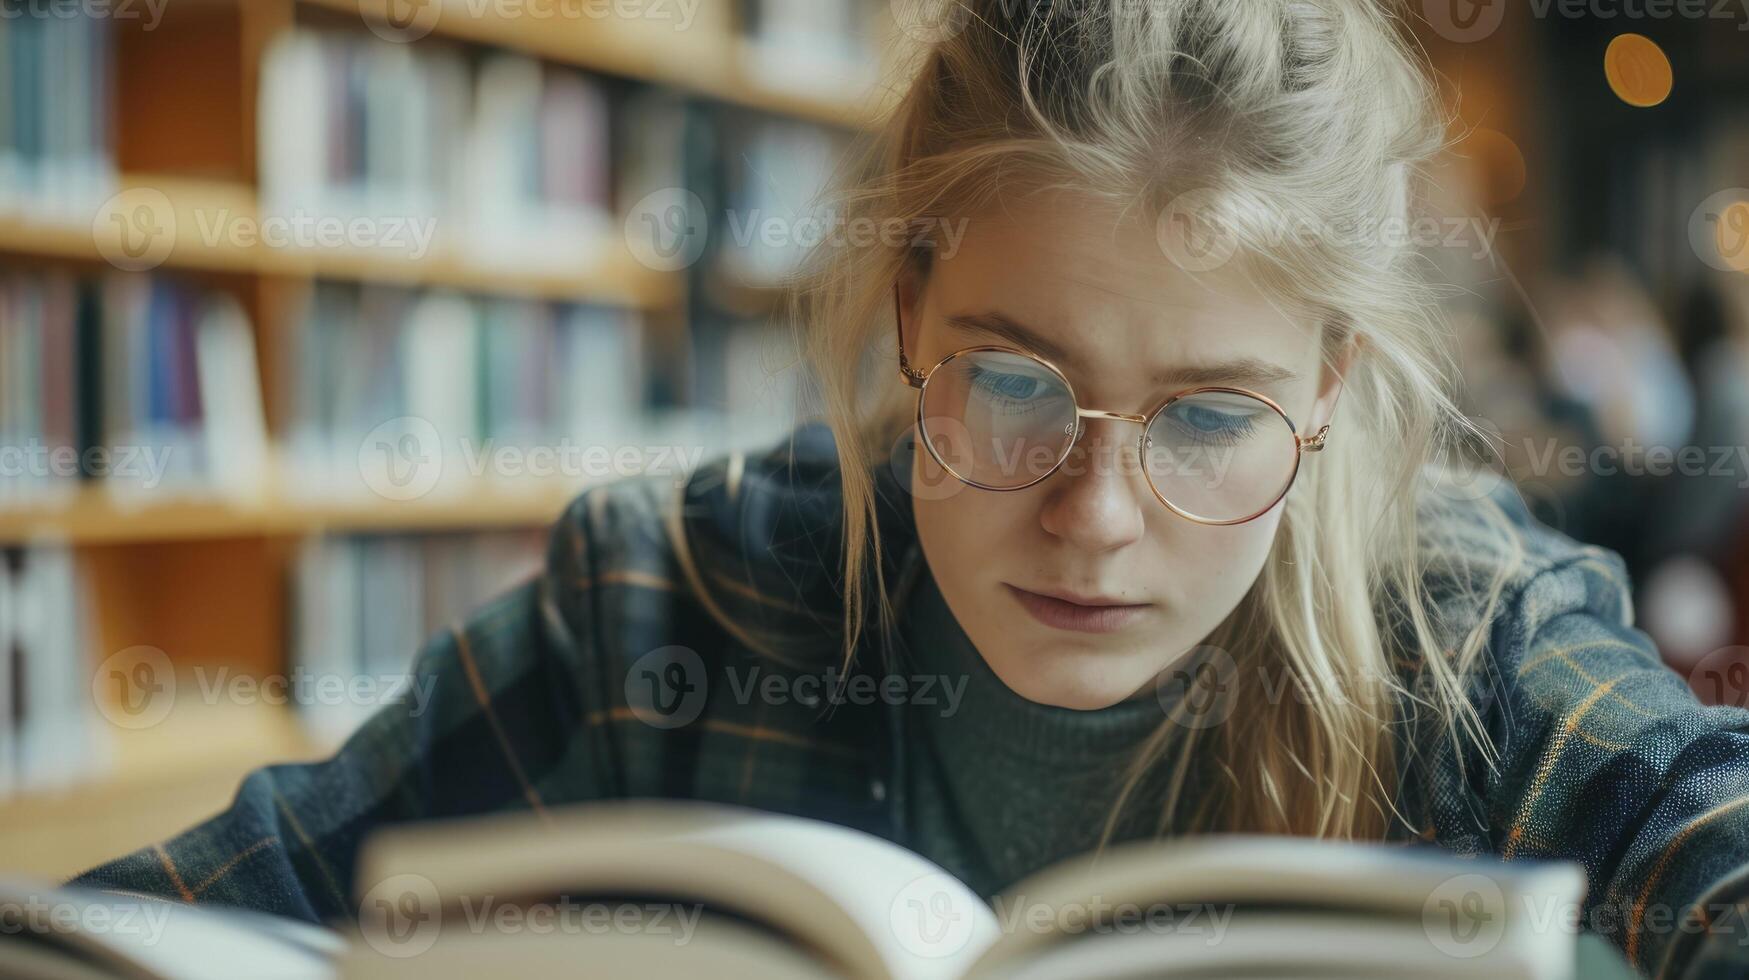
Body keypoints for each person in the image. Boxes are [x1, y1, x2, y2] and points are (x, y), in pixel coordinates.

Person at [71, 2, 1749, 976]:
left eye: (1205, 418)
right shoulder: (677, 596)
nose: (1093, 515)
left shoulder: (1468, 652)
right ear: (903, 316)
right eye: (1012, 383)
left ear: (1326, 390)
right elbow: (193, 920)